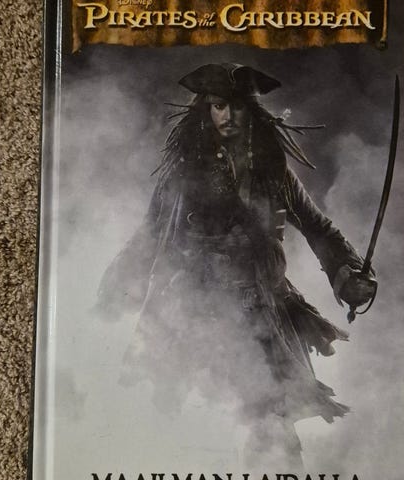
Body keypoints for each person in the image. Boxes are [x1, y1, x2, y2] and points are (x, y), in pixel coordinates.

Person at [97, 63, 377, 470]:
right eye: (218, 106)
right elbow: (152, 232)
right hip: (198, 312)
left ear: (252, 110)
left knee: (274, 432)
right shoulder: (182, 172)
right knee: (193, 431)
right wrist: (116, 285)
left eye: (238, 106)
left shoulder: (274, 172)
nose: (228, 115)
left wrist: (348, 273)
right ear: (206, 110)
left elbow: (318, 227)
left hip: (264, 310)